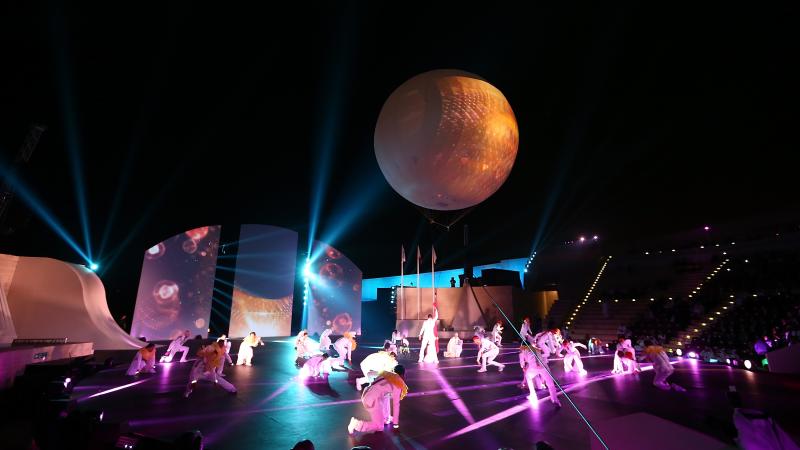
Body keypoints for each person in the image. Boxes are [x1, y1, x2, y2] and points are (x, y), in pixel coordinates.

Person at [348, 365, 408, 434]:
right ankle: (356, 424)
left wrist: (374, 386)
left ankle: (386, 418)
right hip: (372, 400)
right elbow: (396, 405)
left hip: (367, 393)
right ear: (403, 375)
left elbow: (369, 374)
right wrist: (395, 425)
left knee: (386, 396)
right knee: (379, 427)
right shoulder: (398, 384)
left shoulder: (386, 374)